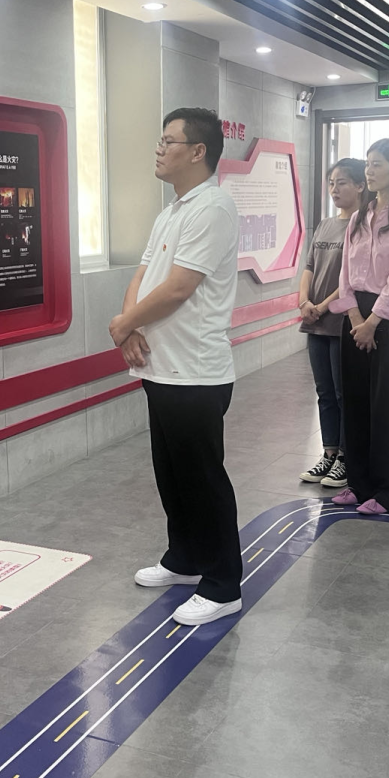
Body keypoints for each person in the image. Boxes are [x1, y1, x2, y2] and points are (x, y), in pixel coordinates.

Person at [110, 108, 242, 627]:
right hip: (161, 366)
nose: (159, 149)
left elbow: (180, 287)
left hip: (197, 371)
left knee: (203, 479)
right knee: (172, 474)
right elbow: (143, 275)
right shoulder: (172, 211)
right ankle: (184, 558)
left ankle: (223, 584)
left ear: (198, 151)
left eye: (169, 141)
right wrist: (128, 326)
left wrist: (124, 324)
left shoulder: (213, 208)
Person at [327, 137, 389, 515]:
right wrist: (356, 317)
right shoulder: (360, 216)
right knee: (355, 402)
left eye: (377, 165)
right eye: (368, 164)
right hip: (356, 316)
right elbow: (346, 273)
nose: (369, 171)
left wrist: (373, 321)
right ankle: (359, 484)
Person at [296, 158, 368, 488]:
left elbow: (352, 277)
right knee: (324, 391)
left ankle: (346, 459)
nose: (334, 189)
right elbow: (309, 267)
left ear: (360, 186)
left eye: (342, 182)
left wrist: (323, 306)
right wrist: (304, 302)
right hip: (315, 322)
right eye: (331, 183)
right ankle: (329, 452)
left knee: (343, 393)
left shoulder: (363, 225)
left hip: (341, 321)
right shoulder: (325, 225)